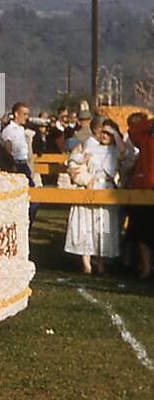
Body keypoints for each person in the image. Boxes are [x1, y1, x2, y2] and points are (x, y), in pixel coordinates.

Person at [65, 116, 124, 275]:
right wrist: (85, 178)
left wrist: (115, 133)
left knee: (103, 227)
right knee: (87, 225)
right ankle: (87, 264)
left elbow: (124, 152)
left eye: (108, 133)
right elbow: (76, 162)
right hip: (91, 187)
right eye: (103, 132)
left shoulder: (115, 150)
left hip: (107, 188)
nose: (104, 136)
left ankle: (101, 263)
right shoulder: (90, 147)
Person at [124, 110, 153, 281]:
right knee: (143, 232)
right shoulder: (146, 139)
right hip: (144, 188)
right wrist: (151, 122)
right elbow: (133, 131)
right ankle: (146, 268)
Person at [0, 102, 38, 225]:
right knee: (29, 198)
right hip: (16, 166)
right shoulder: (8, 131)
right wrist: (12, 167)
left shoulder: (22, 130)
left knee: (33, 197)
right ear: (16, 114)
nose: (26, 117)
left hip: (24, 164)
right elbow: (7, 150)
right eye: (24, 114)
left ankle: (27, 224)